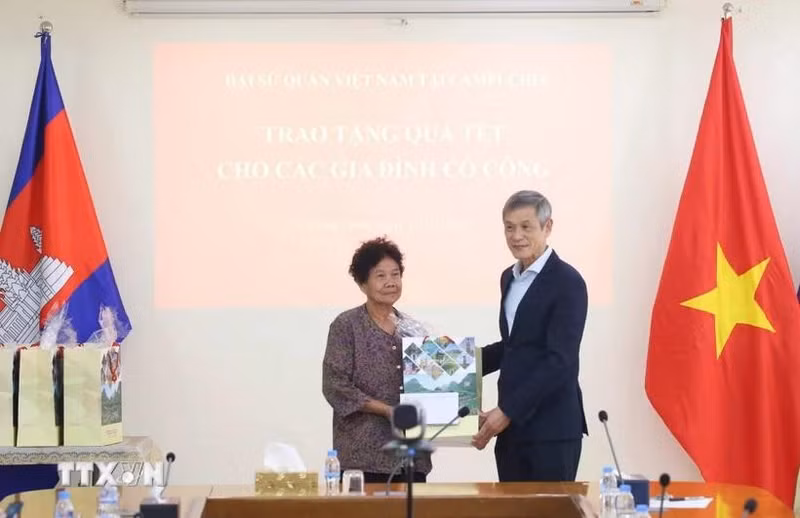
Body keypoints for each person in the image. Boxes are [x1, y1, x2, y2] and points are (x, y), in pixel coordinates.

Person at [472, 190, 588, 482]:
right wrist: (457, 363)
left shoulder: (568, 282)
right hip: (512, 432)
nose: (516, 235)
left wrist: (507, 410)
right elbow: (514, 346)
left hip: (552, 430)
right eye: (509, 227)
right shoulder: (508, 278)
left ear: (547, 227)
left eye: (526, 226)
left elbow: (559, 361)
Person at [322, 237, 432, 484]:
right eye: (380, 276)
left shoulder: (413, 329)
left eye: (395, 274)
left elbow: (432, 383)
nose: (390, 282)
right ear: (362, 283)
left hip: (411, 457)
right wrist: (385, 410)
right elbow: (334, 385)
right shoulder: (346, 326)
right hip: (362, 457)